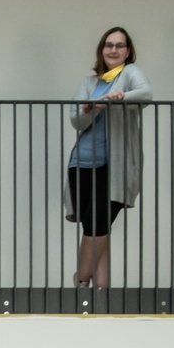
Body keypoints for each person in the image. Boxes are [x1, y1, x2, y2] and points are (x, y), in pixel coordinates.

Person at [65, 26, 152, 288]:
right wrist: (96, 106)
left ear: (127, 51)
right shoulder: (89, 82)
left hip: (115, 165)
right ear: (102, 50)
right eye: (109, 45)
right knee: (95, 227)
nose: (113, 50)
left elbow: (146, 94)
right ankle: (102, 293)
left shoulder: (130, 74)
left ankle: (80, 282)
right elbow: (76, 120)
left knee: (98, 223)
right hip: (82, 162)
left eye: (119, 45)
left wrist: (119, 98)